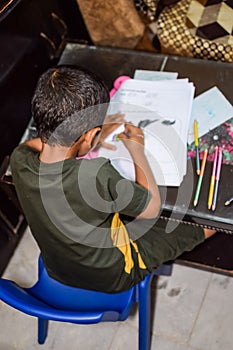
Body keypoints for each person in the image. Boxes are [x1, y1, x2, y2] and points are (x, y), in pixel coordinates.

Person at [10, 65, 216, 293]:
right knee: (207, 223)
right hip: (112, 275)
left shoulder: (19, 160)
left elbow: (32, 145)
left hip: (59, 268)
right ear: (89, 135)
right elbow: (151, 208)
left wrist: (84, 137)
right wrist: (137, 149)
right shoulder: (94, 174)